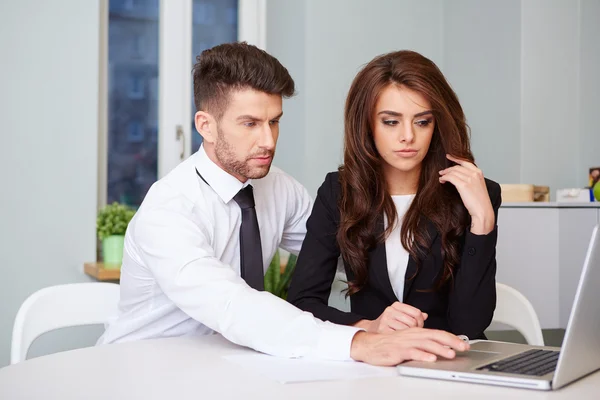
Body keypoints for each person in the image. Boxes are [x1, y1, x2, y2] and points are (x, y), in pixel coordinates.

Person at [97, 43, 468, 366]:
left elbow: (346, 254)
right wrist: (359, 342)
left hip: (234, 365)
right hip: (145, 370)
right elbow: (231, 307)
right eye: (250, 123)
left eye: (274, 122)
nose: (268, 141)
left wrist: (383, 318)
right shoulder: (169, 210)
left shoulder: (279, 189)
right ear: (205, 126)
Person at [287, 50, 502, 341]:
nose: (408, 137)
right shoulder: (339, 192)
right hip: (375, 365)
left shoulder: (475, 193)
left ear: (437, 125)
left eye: (422, 121)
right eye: (391, 122)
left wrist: (483, 221)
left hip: (449, 365)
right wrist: (370, 326)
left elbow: (470, 325)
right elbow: (303, 303)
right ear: (367, 125)